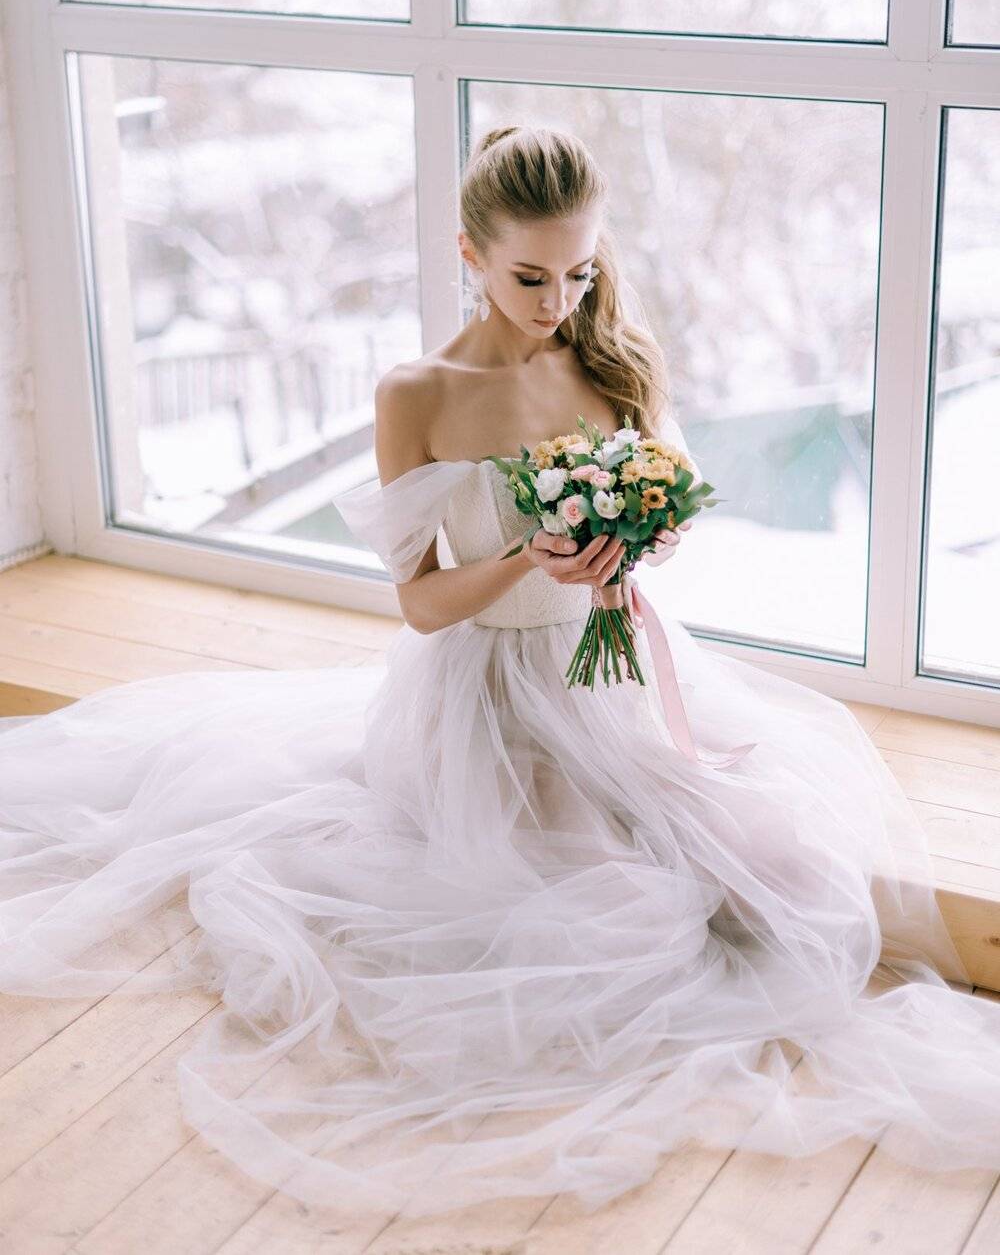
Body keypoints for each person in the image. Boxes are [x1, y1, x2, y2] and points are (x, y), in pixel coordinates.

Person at [2, 124, 1000, 1222]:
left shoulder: (611, 361)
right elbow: (422, 604)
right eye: (530, 275)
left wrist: (634, 544)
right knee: (602, 921)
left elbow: (660, 523)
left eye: (578, 271)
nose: (558, 300)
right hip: (482, 691)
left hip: (602, 669)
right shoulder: (415, 396)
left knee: (782, 877)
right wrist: (525, 555)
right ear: (467, 256)